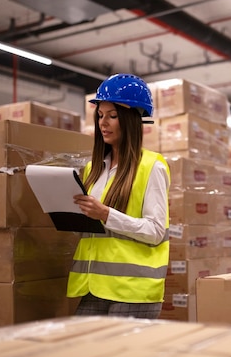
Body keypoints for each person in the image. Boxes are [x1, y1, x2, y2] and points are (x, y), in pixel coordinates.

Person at [69, 73, 170, 318]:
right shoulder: (94, 168)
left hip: (133, 289)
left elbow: (156, 231)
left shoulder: (151, 166)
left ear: (132, 120)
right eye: (100, 115)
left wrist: (105, 214)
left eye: (113, 116)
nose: (104, 123)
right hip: (93, 285)